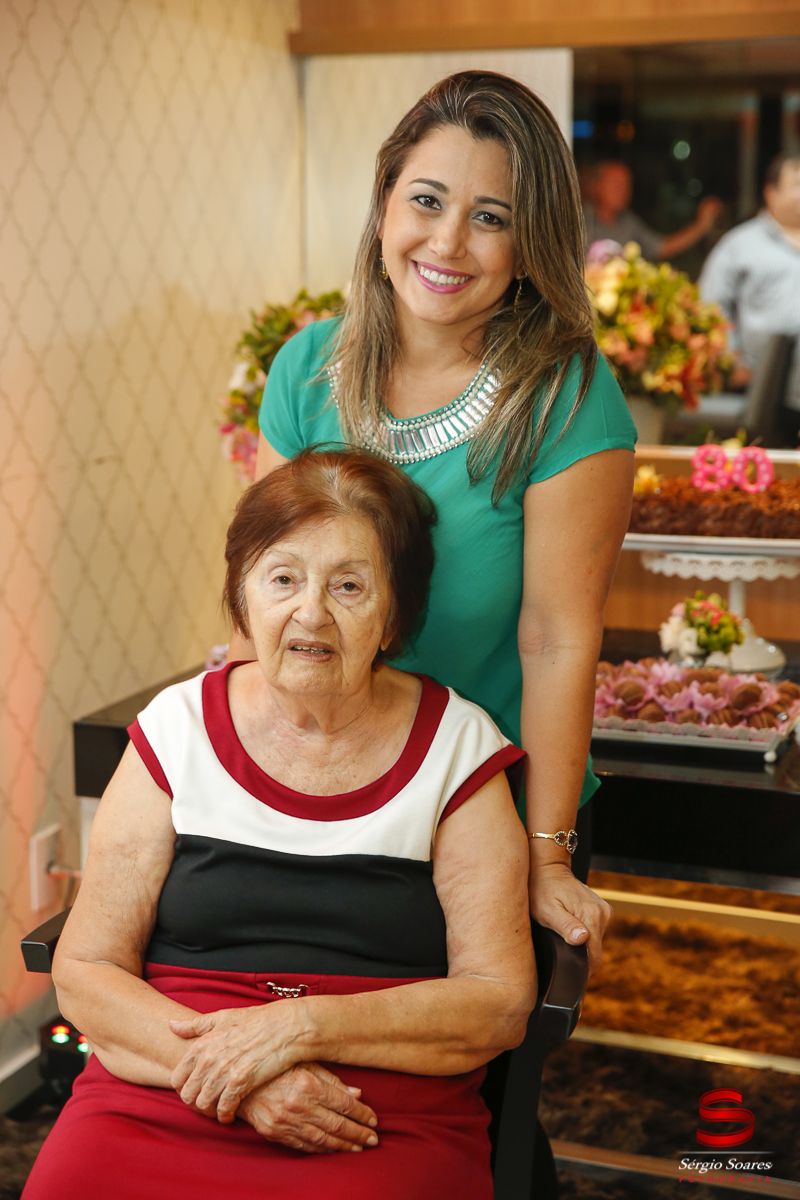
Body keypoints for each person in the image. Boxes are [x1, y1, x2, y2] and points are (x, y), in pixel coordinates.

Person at [23, 450, 536, 1200]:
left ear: (395, 616)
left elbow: (497, 1001)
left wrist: (297, 1031)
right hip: (167, 1080)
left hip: (372, 1110)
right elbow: (86, 970)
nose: (311, 613)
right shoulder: (176, 730)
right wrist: (242, 1080)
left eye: (350, 586)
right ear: (242, 598)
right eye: (283, 578)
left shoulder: (458, 748)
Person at [236, 70, 636, 969]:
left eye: (491, 217)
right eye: (427, 199)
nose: (449, 240)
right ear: (385, 207)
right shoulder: (306, 367)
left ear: (530, 245)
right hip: (326, 784)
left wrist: (547, 853)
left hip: (485, 805)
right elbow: (263, 593)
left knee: (450, 1081)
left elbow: (556, 640)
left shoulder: (566, 395)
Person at [699, 152, 800, 410]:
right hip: (761, 393)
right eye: (797, 185)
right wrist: (731, 359)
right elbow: (709, 305)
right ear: (771, 193)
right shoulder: (740, 245)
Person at [584, 160, 723, 261]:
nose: (623, 190)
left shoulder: (628, 222)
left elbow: (663, 247)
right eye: (615, 183)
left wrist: (701, 225)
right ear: (596, 185)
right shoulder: (579, 221)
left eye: (627, 184)